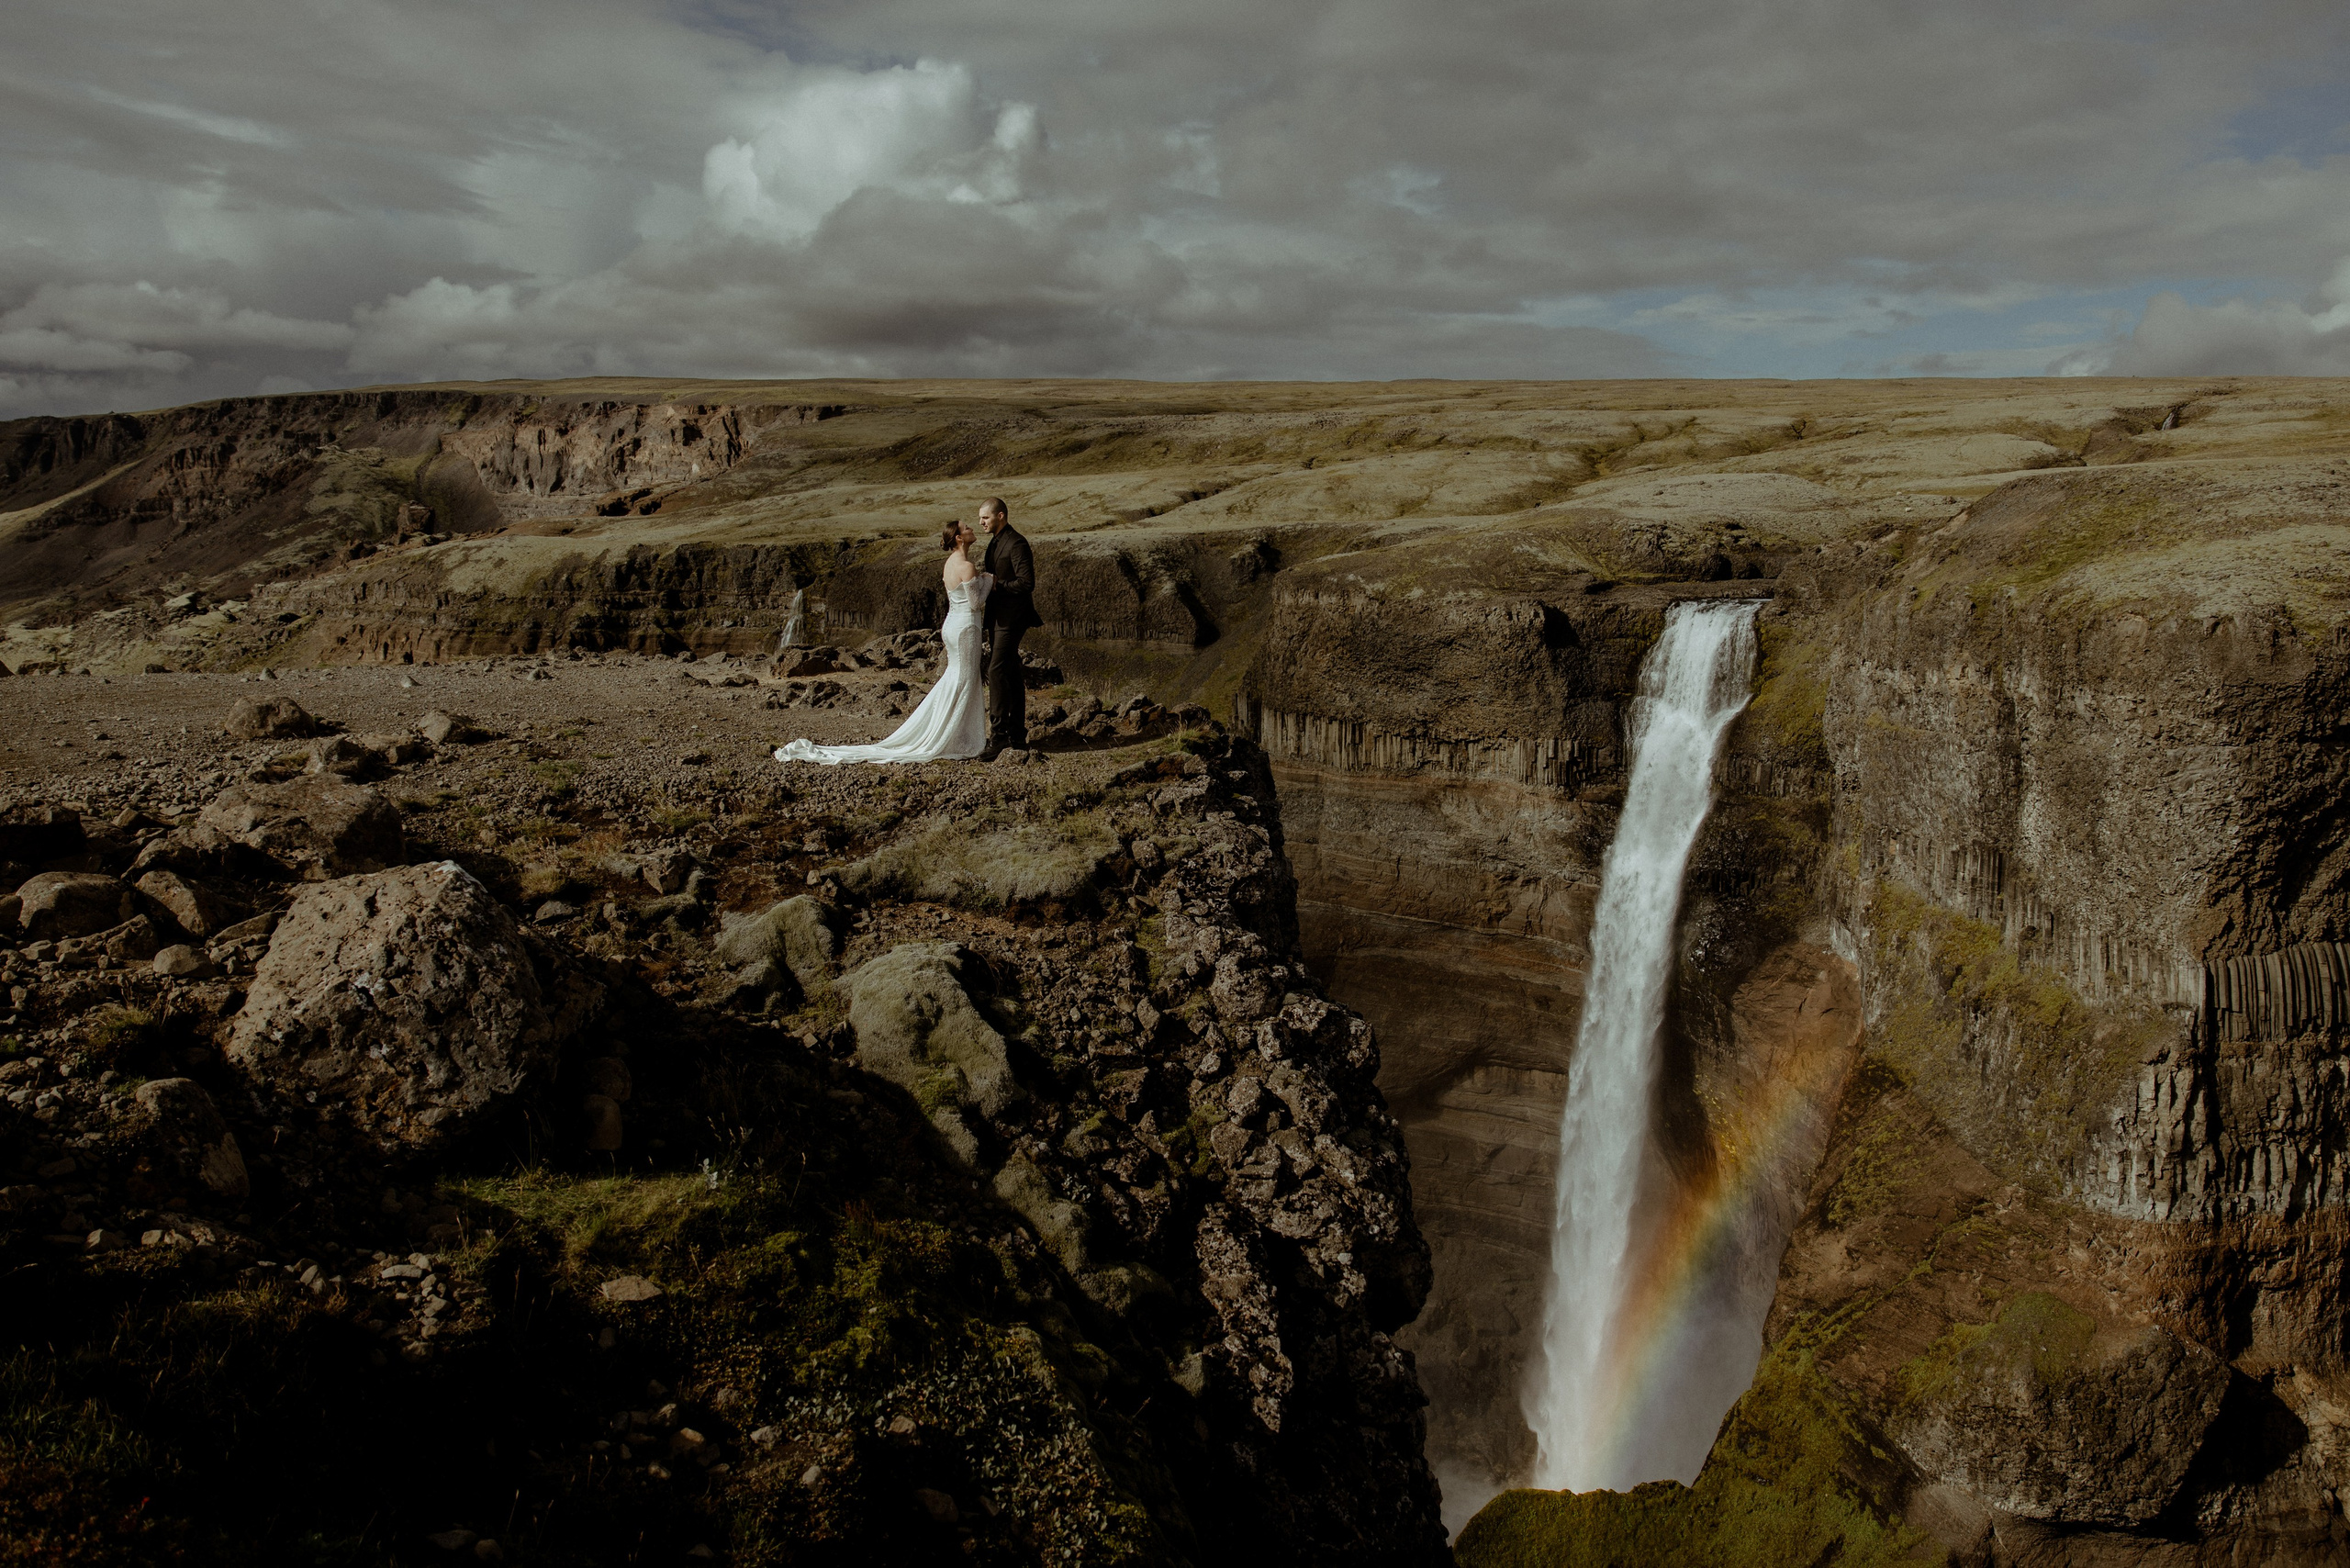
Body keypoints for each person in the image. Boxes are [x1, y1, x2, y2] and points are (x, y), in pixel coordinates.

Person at [772, 522, 990, 766]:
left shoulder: (949, 563)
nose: (972, 529)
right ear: (959, 538)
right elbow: (976, 602)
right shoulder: (966, 566)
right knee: (965, 678)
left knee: (955, 677)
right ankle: (953, 737)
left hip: (952, 626)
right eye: (967, 528)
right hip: (966, 628)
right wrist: (989, 580)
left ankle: (950, 732)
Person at [976, 496, 1040, 760]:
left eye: (985, 517)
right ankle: (1017, 735)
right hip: (997, 617)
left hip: (1013, 618)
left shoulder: (1017, 542)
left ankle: (999, 736)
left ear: (1000, 516)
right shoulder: (994, 542)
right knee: (1011, 672)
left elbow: (1027, 583)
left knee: (996, 669)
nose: (981, 522)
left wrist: (996, 585)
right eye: (980, 518)